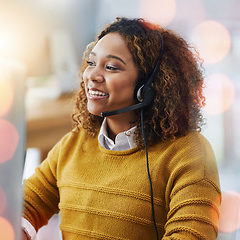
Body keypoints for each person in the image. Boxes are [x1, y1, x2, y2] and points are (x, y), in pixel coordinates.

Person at [22, 17, 221, 239]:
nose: (92, 76)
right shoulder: (75, 142)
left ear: (148, 86)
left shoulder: (189, 152)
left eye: (111, 67)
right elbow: (26, 204)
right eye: (91, 63)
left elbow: (192, 235)